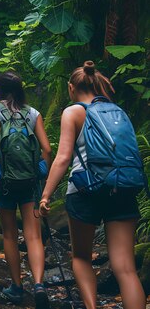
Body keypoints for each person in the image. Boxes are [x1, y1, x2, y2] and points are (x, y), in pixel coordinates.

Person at [39, 61, 145, 309]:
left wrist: (46, 195)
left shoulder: (73, 112)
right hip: (123, 186)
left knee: (81, 257)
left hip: (85, 190)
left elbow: (63, 157)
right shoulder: (116, 111)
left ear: (71, 87)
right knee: (126, 268)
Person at [0, 71, 52, 308]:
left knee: (10, 234)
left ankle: (17, 286)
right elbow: (47, 147)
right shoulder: (33, 113)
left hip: (4, 182)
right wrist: (41, 171)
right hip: (30, 181)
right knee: (34, 235)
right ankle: (40, 284)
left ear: (0, 89)